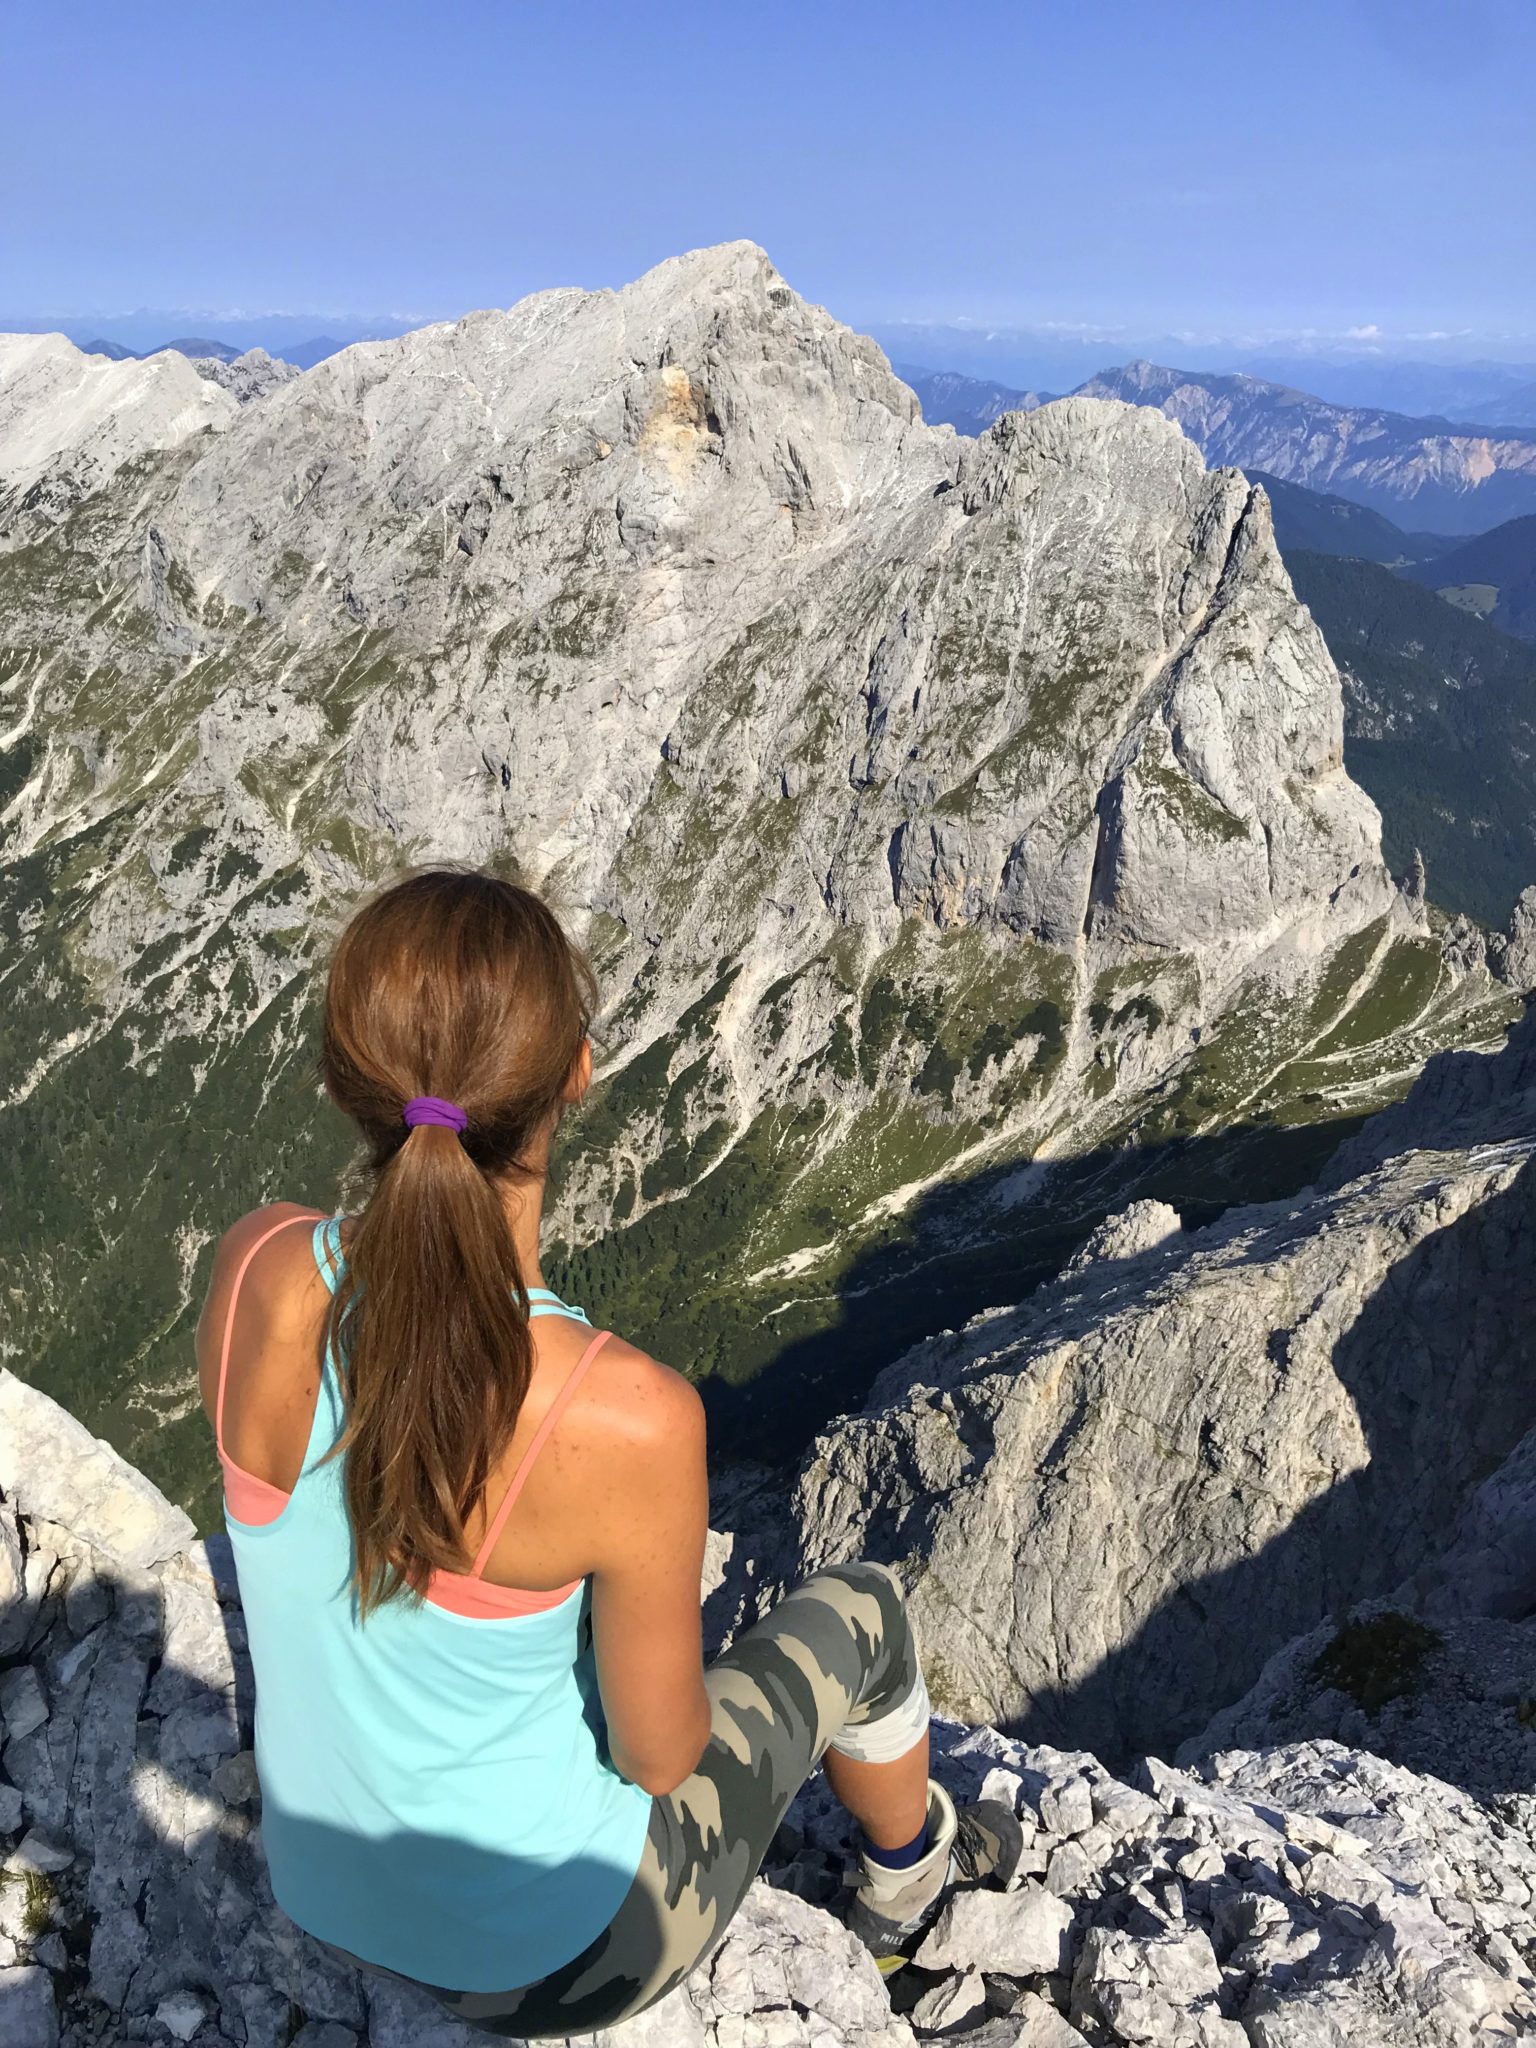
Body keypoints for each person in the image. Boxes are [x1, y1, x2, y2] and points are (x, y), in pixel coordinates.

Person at [197, 866, 1021, 2035]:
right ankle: (915, 1880)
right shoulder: (621, 1410)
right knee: (868, 1609)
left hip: (320, 1889)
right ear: (577, 1073)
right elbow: (659, 1755)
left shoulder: (253, 1269)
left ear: (342, 1081)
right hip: (554, 1954)